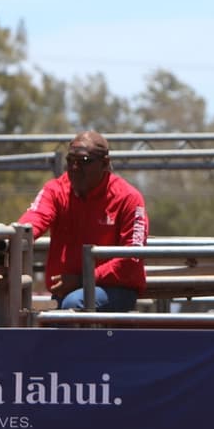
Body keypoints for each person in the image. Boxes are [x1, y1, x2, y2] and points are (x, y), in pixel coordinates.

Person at [16, 130, 149, 311]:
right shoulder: (56, 190)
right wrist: (15, 237)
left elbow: (131, 259)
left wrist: (82, 279)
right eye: (70, 161)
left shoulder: (128, 198)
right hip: (66, 292)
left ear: (105, 164)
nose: (74, 168)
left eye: (84, 162)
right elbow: (35, 218)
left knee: (73, 304)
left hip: (116, 290)